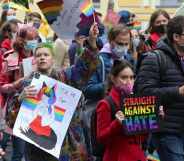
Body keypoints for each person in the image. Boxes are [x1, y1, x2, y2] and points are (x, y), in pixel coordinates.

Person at [134, 15, 184, 161]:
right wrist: (178, 91)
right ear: (176, 37)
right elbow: (143, 94)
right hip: (167, 131)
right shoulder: (154, 58)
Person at [96, 60, 146, 161]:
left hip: (137, 156)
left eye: (132, 77)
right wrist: (116, 123)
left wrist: (155, 118)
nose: (129, 81)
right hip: (116, 156)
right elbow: (101, 137)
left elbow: (141, 137)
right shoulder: (106, 104)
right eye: (124, 77)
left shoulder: (136, 101)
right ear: (113, 79)